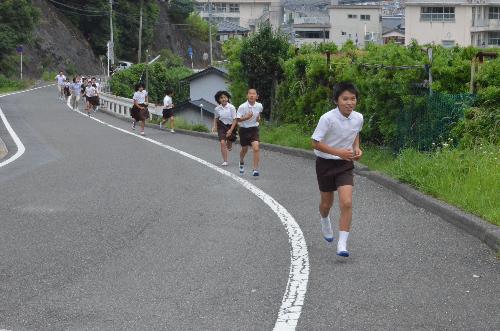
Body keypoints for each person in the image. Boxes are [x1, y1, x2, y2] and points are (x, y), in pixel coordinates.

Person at [311, 82, 364, 257]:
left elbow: (355, 133)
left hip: (344, 164)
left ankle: (342, 244)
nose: (350, 102)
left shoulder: (358, 117)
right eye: (345, 99)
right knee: (326, 204)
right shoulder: (327, 118)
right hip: (325, 163)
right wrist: (338, 152)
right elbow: (315, 143)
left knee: (347, 202)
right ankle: (324, 219)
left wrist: (357, 148)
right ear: (336, 100)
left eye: (353, 98)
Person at [236, 88, 263, 176]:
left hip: (254, 129)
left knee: (256, 147)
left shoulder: (259, 105)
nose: (251, 95)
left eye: (253, 94)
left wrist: (258, 118)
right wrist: (246, 118)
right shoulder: (242, 106)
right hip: (244, 129)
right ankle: (241, 161)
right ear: (247, 96)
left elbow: (259, 114)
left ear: (257, 96)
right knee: (245, 149)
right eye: (250, 94)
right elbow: (237, 119)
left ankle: (255, 170)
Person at [212, 90, 237, 166]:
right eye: (221, 98)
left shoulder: (231, 107)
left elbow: (235, 119)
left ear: (227, 98)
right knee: (222, 142)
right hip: (222, 126)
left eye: (225, 97)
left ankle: (230, 143)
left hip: (231, 125)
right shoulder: (217, 109)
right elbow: (216, 118)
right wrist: (214, 127)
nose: (223, 99)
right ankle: (225, 161)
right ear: (218, 100)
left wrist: (231, 130)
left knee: (229, 143)